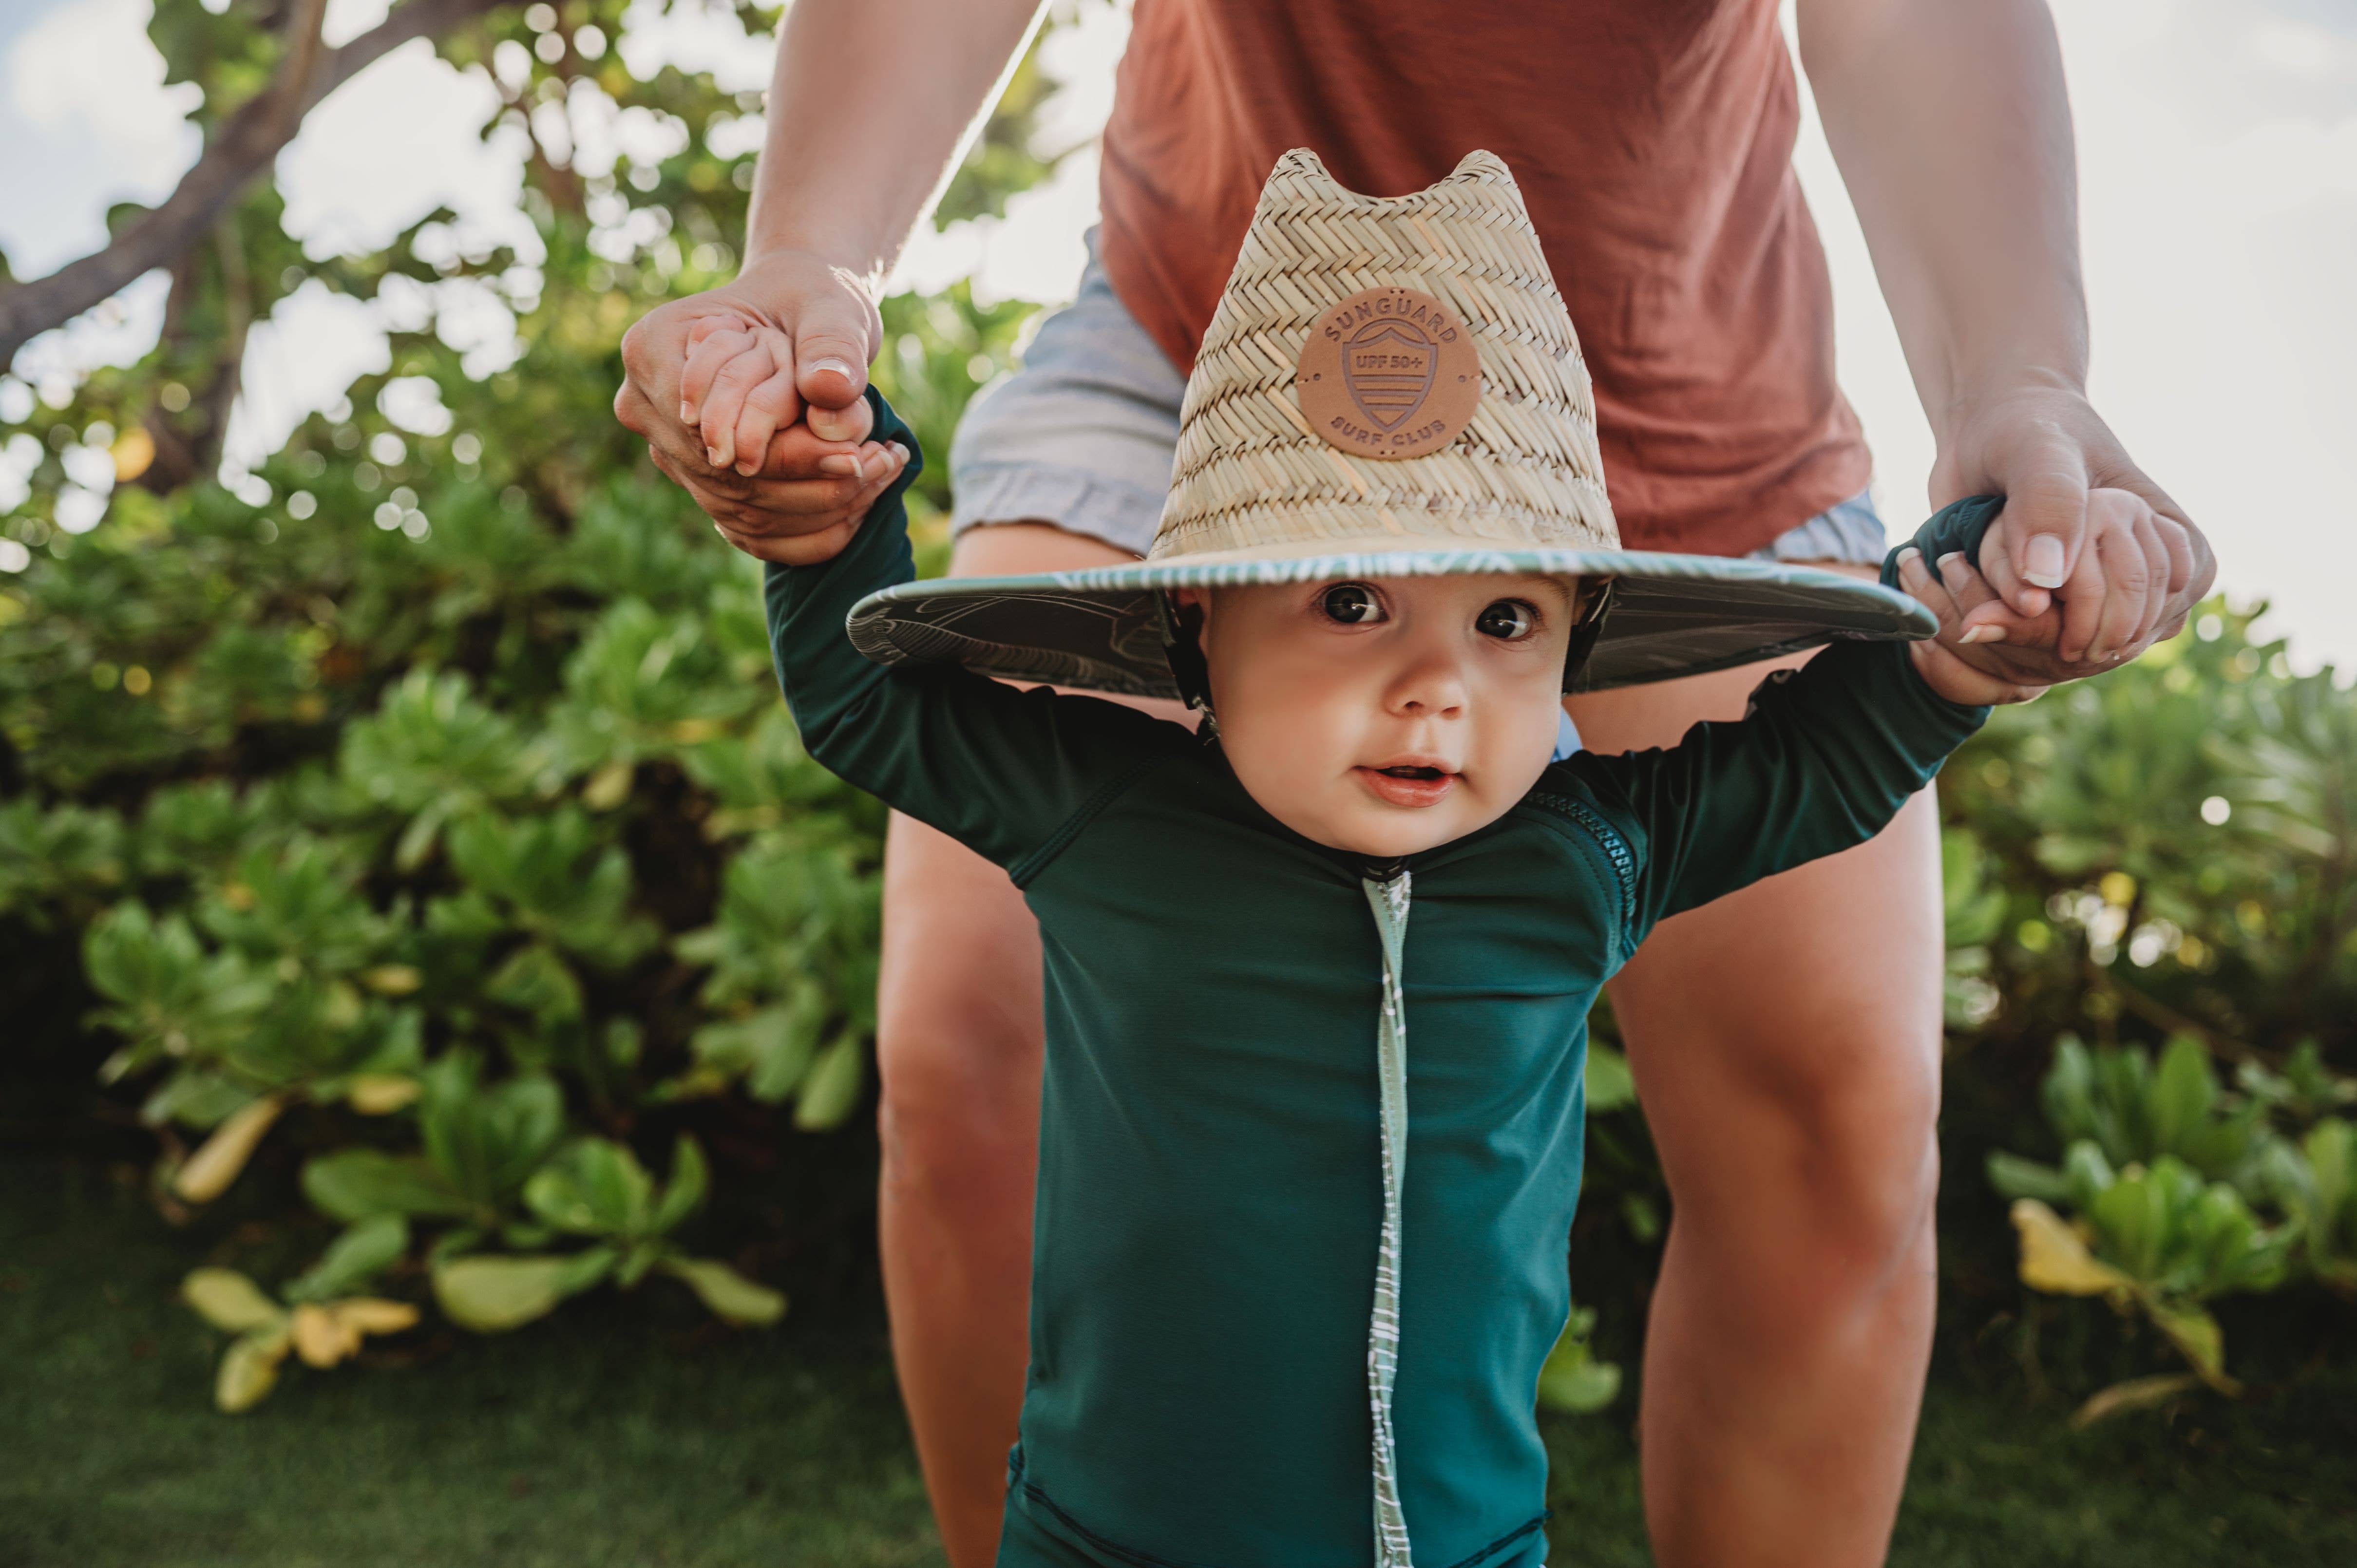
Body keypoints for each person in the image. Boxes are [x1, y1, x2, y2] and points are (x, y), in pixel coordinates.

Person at [613, 4, 2215, 1563]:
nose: (1439, 688)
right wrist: (813, 307)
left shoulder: (1591, 850)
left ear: (1571, 637)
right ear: (1189, 629)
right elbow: (876, 703)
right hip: (1217, 347)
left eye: (1505, 629)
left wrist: (2006, 425)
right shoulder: (1110, 808)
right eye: (1356, 607)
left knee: (1833, 1121)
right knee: (973, 1034)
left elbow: (1816, 761)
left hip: (1681, 372)